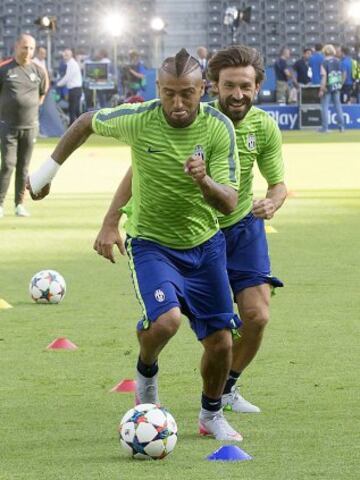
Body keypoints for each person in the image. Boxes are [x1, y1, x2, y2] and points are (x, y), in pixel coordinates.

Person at [27, 49, 243, 442]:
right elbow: (85, 122)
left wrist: (204, 181)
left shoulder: (218, 127)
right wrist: (45, 174)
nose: (177, 104)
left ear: (203, 90)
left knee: (221, 342)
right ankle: (147, 371)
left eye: (187, 94)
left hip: (205, 244)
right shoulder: (139, 118)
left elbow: (229, 200)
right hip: (152, 244)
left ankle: (210, 415)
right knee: (167, 321)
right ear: (157, 89)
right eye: (169, 94)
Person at [92, 44, 287, 415]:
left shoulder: (264, 127)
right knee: (183, 323)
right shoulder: (195, 116)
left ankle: (226, 388)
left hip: (243, 226)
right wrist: (111, 218)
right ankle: (182, 380)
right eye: (229, 85)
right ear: (212, 86)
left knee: (257, 316)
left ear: (258, 87)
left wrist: (274, 201)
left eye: (245, 86)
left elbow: (278, 183)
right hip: (198, 230)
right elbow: (139, 169)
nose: (237, 94)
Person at [0, 34, 47, 218]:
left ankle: (19, 204)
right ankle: (0, 204)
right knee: (8, 164)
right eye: (25, 47)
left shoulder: (39, 70)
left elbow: (42, 94)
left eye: (31, 48)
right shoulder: (4, 69)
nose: (28, 52)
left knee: (24, 167)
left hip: (30, 127)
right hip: (7, 126)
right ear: (16, 47)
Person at [319, 44, 345, 133]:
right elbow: (343, 73)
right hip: (336, 86)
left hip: (327, 88)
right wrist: (340, 83)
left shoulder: (324, 63)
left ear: (324, 52)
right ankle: (341, 127)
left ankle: (325, 128)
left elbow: (324, 76)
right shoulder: (338, 61)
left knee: (325, 107)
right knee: (338, 107)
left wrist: (322, 89)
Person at [57, 48, 83, 125]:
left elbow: (67, 78)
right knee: (76, 110)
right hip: (77, 89)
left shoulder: (71, 64)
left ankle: (71, 128)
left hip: (74, 90)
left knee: (72, 110)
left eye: (67, 55)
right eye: (64, 54)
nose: (65, 56)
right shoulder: (72, 63)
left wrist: (58, 84)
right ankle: (82, 127)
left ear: (70, 56)